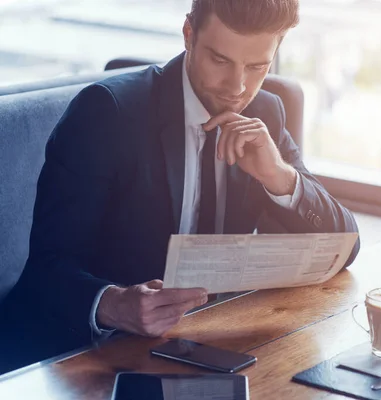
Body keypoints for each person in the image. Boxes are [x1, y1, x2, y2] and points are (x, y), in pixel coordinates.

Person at [0, 0, 359, 373]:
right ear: (189, 34)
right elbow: (44, 271)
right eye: (220, 60)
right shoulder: (108, 114)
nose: (237, 87)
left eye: (257, 66)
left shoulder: (264, 112)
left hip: (213, 346)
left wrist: (279, 177)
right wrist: (113, 303)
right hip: (98, 357)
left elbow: (344, 247)